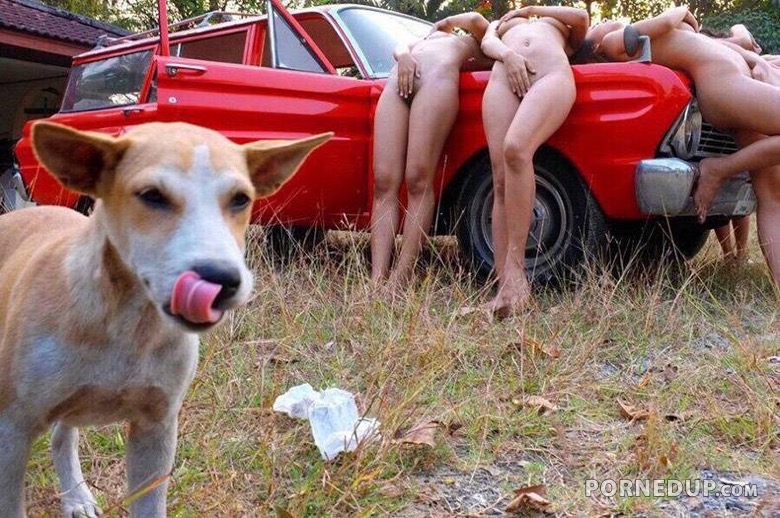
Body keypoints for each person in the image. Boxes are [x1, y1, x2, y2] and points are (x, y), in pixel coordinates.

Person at [590, 6, 779, 288]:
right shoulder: (613, 41)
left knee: (772, 193)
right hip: (725, 88)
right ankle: (719, 169)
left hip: (739, 86)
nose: (605, 21)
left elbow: (726, 44)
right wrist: (683, 10)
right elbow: (666, 20)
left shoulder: (664, 35)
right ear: (595, 47)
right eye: (598, 25)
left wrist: (756, 60)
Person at [479, 5, 589, 317]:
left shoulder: (557, 18)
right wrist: (508, 55)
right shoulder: (502, 21)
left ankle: (516, 269)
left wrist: (531, 8)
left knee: (516, 149)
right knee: (500, 180)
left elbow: (582, 20)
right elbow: (487, 41)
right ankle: (504, 287)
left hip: (550, 75)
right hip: (503, 74)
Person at [370, 12, 492, 288]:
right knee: (383, 181)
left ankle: (400, 279)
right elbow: (400, 46)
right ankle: (377, 280)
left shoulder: (479, 43)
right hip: (398, 78)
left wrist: (447, 23)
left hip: (436, 81)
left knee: (418, 179)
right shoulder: (423, 39)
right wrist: (403, 56)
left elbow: (476, 19)